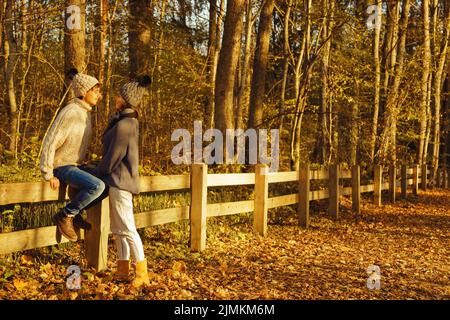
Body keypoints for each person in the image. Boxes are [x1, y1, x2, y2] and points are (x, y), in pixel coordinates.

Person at [93, 75, 151, 288]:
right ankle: (122, 270)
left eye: (119, 94)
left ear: (126, 100)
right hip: (117, 181)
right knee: (118, 229)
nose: (115, 97)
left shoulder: (126, 124)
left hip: (120, 181)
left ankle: (142, 272)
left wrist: (97, 171)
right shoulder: (124, 121)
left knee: (127, 228)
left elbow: (113, 156)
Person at [39, 68, 106, 242]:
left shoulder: (85, 113)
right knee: (97, 186)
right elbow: (50, 141)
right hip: (61, 166)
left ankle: (76, 213)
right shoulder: (70, 112)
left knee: (108, 183)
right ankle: (65, 215)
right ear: (84, 92)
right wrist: (48, 172)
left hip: (75, 165)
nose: (98, 95)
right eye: (95, 90)